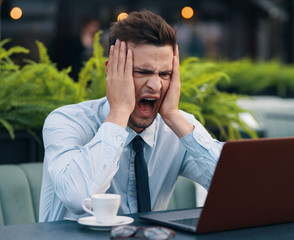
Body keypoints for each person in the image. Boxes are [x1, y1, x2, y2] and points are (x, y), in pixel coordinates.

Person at [39, 10, 223, 222]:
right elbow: (78, 197)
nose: (155, 85)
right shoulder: (67, 121)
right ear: (112, 71)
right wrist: (119, 113)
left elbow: (236, 186)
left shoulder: (176, 128)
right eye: (143, 72)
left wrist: (173, 116)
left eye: (165, 74)